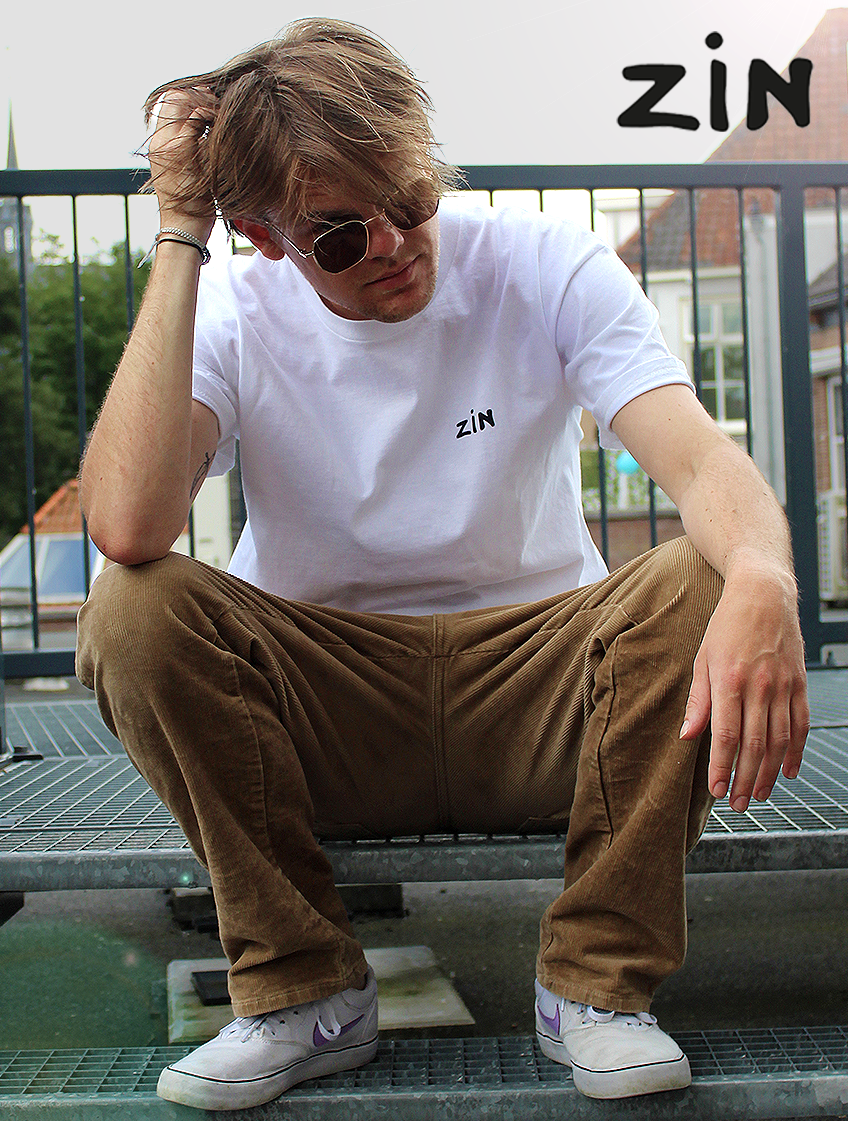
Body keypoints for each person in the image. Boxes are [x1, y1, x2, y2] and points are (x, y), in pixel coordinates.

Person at [75, 17, 809, 1112]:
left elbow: (699, 461)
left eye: (409, 197)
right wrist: (181, 231)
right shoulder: (232, 305)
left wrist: (764, 578)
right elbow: (129, 525)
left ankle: (596, 987)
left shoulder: (541, 262)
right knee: (132, 605)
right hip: (324, 710)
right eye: (338, 235)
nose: (392, 242)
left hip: (541, 693)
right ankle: (302, 991)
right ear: (262, 235)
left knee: (709, 572)